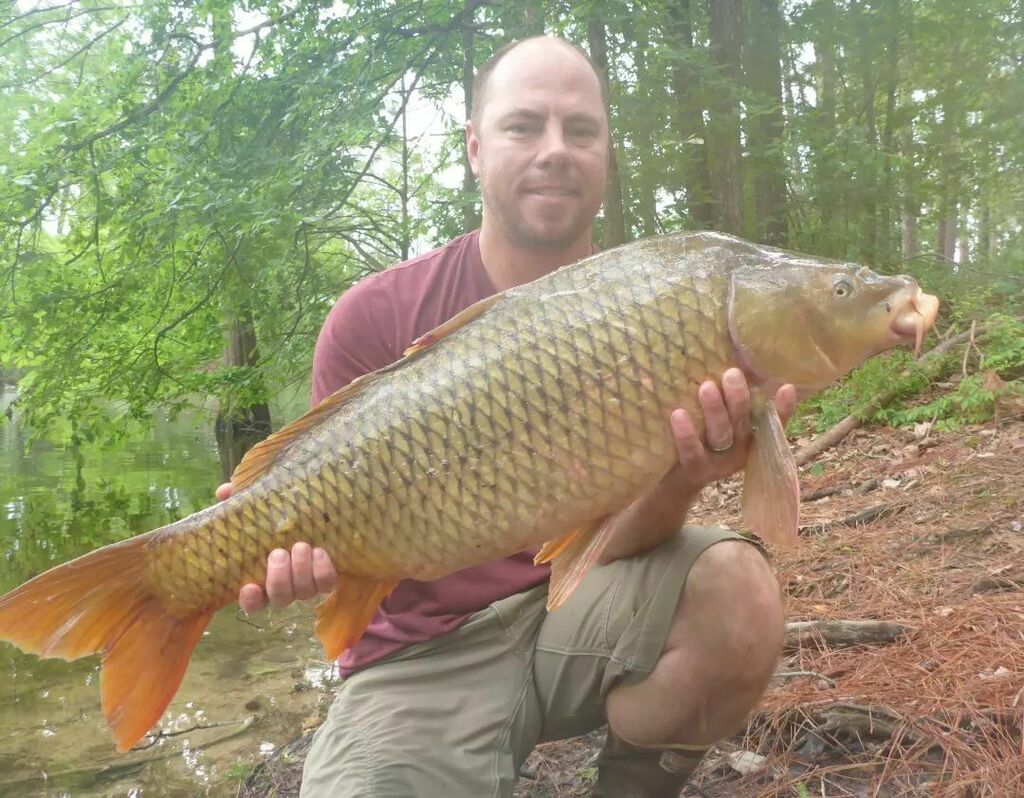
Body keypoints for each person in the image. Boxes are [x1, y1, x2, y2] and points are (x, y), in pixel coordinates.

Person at [219, 35, 796, 797]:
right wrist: (294, 555)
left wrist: (686, 478)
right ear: (474, 148)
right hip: (420, 658)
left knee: (737, 586)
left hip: (577, 616)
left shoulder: (654, 314)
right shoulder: (374, 317)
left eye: (580, 130)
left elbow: (607, 545)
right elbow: (336, 543)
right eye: (524, 126)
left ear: (606, 153)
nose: (556, 151)